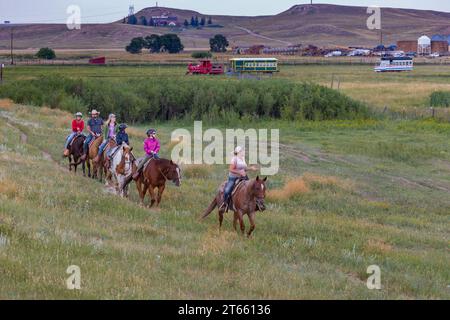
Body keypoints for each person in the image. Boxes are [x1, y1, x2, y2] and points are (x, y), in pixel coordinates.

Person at [220, 146, 258, 211]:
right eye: (242, 151)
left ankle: (256, 203)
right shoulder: (234, 159)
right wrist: (239, 172)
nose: (244, 152)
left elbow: (244, 168)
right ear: (238, 152)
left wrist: (251, 168)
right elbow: (231, 169)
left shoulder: (242, 158)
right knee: (227, 190)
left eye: (244, 151)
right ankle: (224, 204)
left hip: (243, 176)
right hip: (233, 177)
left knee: (252, 187)